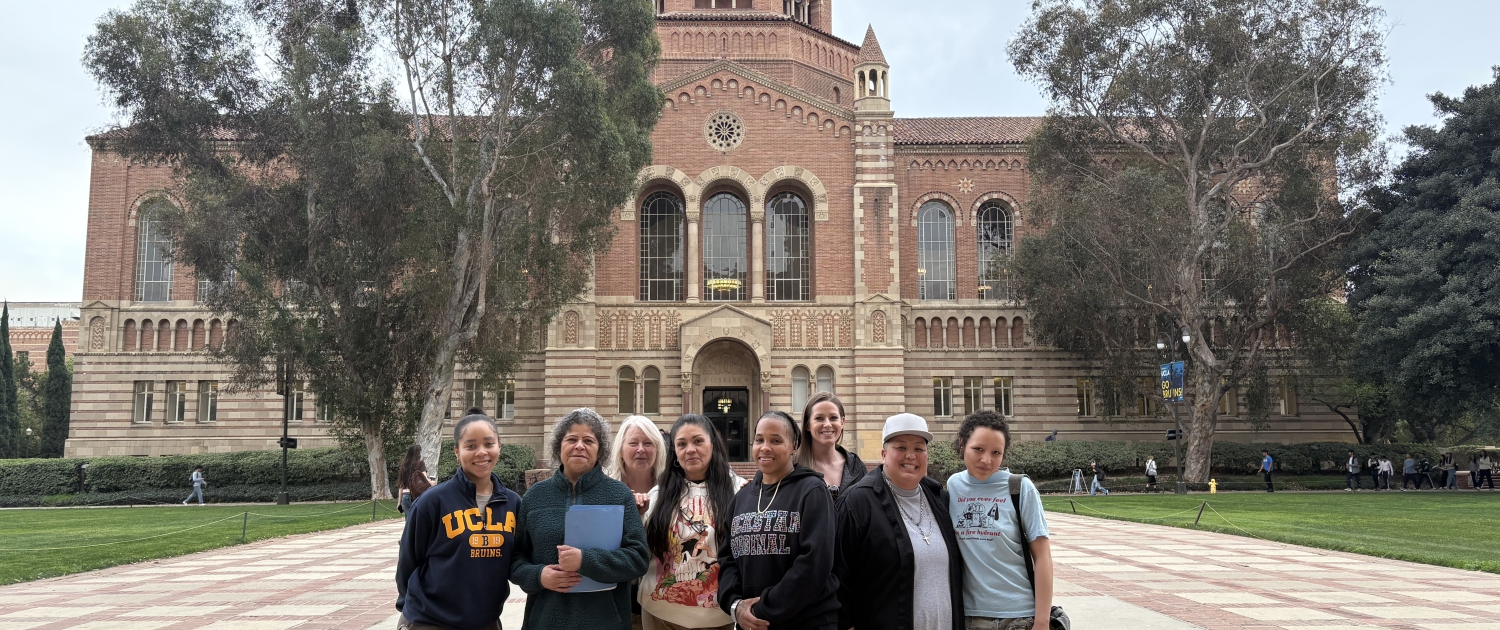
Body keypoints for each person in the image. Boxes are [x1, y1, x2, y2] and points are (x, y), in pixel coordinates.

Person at [512, 409, 650, 630]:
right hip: (545, 621)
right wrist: (539, 576)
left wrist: (585, 561)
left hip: (605, 622)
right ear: (559, 446)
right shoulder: (535, 496)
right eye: (571, 439)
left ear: (600, 450)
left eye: (588, 440)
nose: (579, 445)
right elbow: (516, 559)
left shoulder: (619, 495)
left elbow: (638, 558)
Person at [834, 413, 963, 630]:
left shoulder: (940, 499)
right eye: (901, 448)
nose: (911, 456)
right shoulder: (857, 503)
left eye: (919, 449)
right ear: (884, 454)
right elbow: (837, 577)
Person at [396, 413, 521, 630]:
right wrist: (409, 609)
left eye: (489, 444)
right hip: (431, 621)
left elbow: (517, 560)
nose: (481, 452)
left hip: (486, 622)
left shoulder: (513, 503)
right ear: (457, 451)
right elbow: (408, 561)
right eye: (471, 446)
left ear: (499, 446)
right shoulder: (433, 502)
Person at [718, 411, 839, 630]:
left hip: (807, 621)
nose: (765, 447)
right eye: (759, 440)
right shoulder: (741, 499)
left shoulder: (812, 492)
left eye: (776, 440)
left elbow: (814, 565)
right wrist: (735, 606)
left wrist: (761, 610)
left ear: (794, 446)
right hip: (752, 623)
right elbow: (727, 560)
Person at [948, 410, 1056, 630]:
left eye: (996, 452)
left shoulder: (1020, 488)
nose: (986, 460)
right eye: (978, 449)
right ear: (962, 444)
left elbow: (1043, 556)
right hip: (968, 616)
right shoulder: (953, 486)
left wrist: (1042, 621)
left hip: (1018, 617)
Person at [640, 415, 746, 630]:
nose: (690, 449)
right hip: (660, 613)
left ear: (713, 445)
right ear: (675, 453)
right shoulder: (657, 495)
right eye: (681, 444)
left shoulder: (741, 492)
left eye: (698, 441)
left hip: (719, 615)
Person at [795, 392, 866, 501]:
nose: (827, 424)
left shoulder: (856, 467)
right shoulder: (792, 466)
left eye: (833, 418)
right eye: (819, 418)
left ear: (842, 422)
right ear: (808, 425)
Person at [609, 415, 668, 516]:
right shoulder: (607, 488)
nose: (641, 449)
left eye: (648, 443)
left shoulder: (670, 486)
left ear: (657, 450)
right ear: (620, 450)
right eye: (633, 443)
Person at [397, 444, 436, 520]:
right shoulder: (420, 464)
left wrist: (399, 502)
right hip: (416, 495)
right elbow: (424, 478)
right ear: (419, 453)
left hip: (405, 496)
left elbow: (401, 485)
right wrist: (433, 483)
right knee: (418, 521)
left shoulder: (404, 465)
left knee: (408, 522)